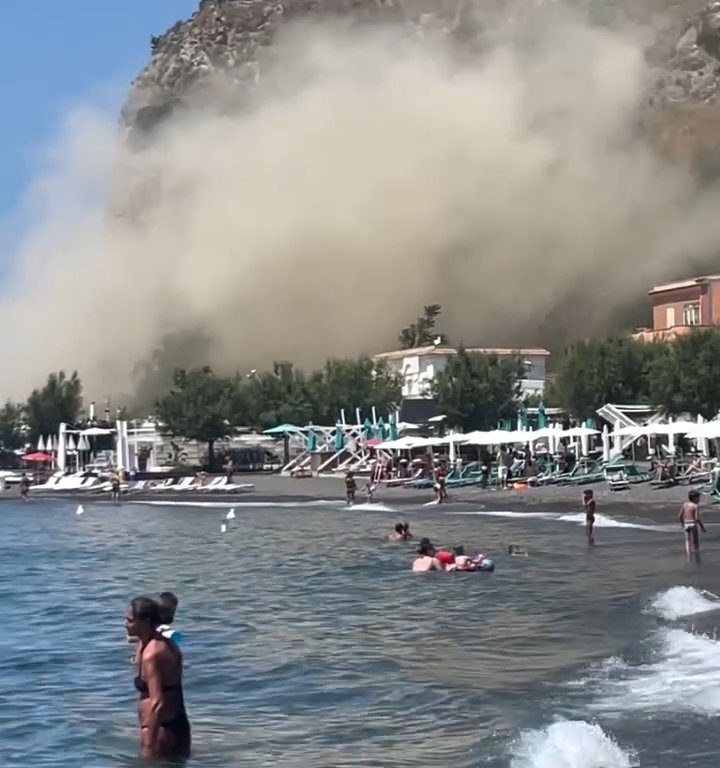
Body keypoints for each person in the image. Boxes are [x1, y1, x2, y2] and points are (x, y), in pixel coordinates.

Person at [125, 596, 191, 759]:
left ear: (146, 621)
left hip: (159, 731)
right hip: (176, 723)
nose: (125, 624)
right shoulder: (165, 639)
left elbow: (157, 703)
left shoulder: (153, 650)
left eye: (130, 620)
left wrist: (149, 745)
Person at [679, 489, 705, 555]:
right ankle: (696, 555)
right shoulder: (695, 506)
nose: (699, 499)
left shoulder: (684, 504)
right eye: (698, 498)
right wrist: (702, 527)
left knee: (687, 540)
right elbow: (696, 518)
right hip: (693, 523)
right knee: (695, 541)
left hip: (686, 524)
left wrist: (682, 523)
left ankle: (688, 554)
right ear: (694, 498)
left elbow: (680, 515)